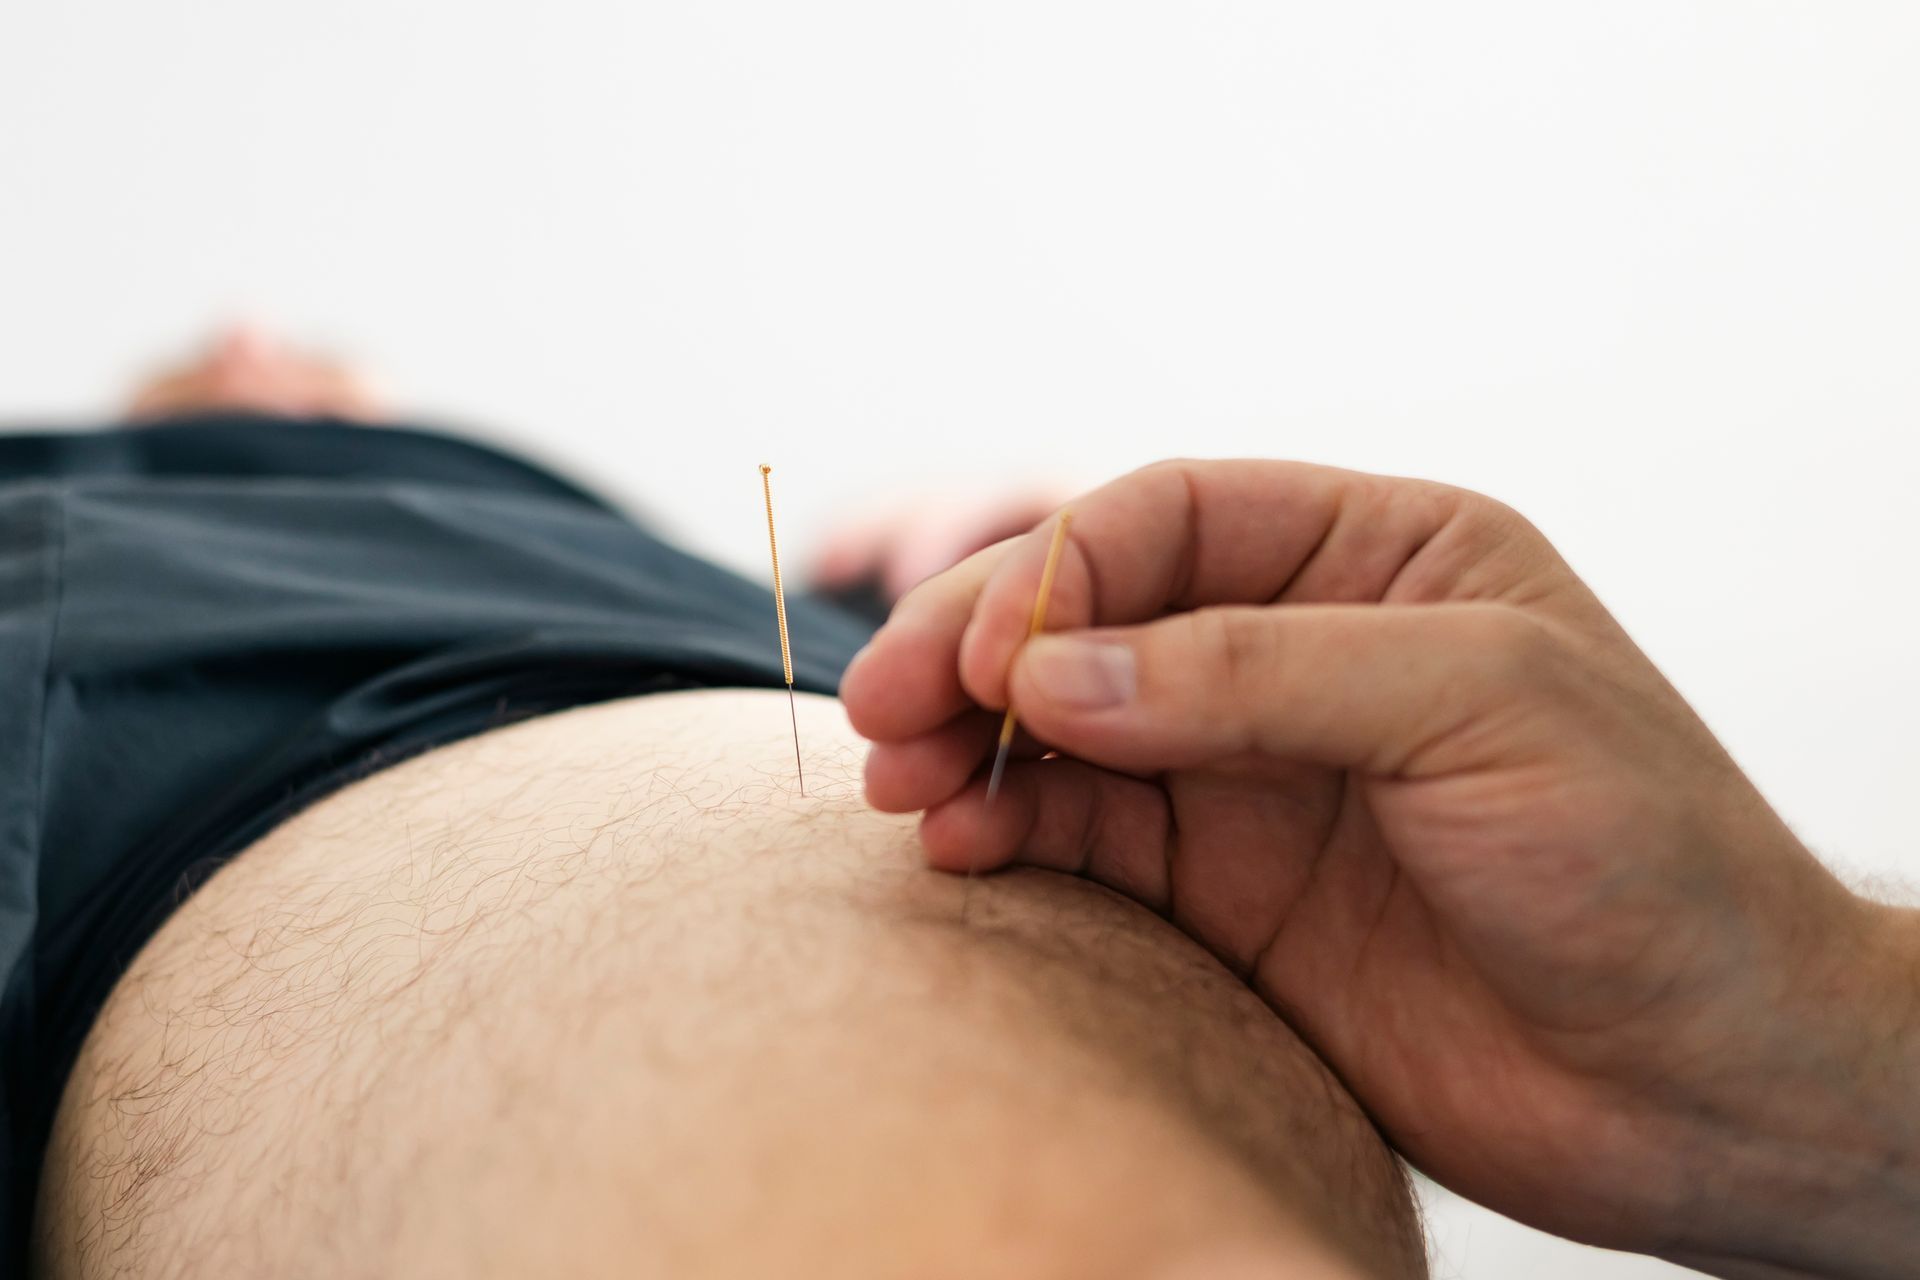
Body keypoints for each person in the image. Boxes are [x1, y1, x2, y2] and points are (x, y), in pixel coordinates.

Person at [14, 332, 1426, 1277]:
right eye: (213, 361)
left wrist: (982, 566)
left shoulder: (697, 565)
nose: (264, 337)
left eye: (318, 374)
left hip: (497, 705)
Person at [842, 458, 1920, 1278]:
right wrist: (1824, 1039)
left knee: (903, 617)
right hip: (787, 640)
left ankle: (846, 590)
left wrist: (1823, 1044)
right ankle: (854, 585)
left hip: (758, 654)